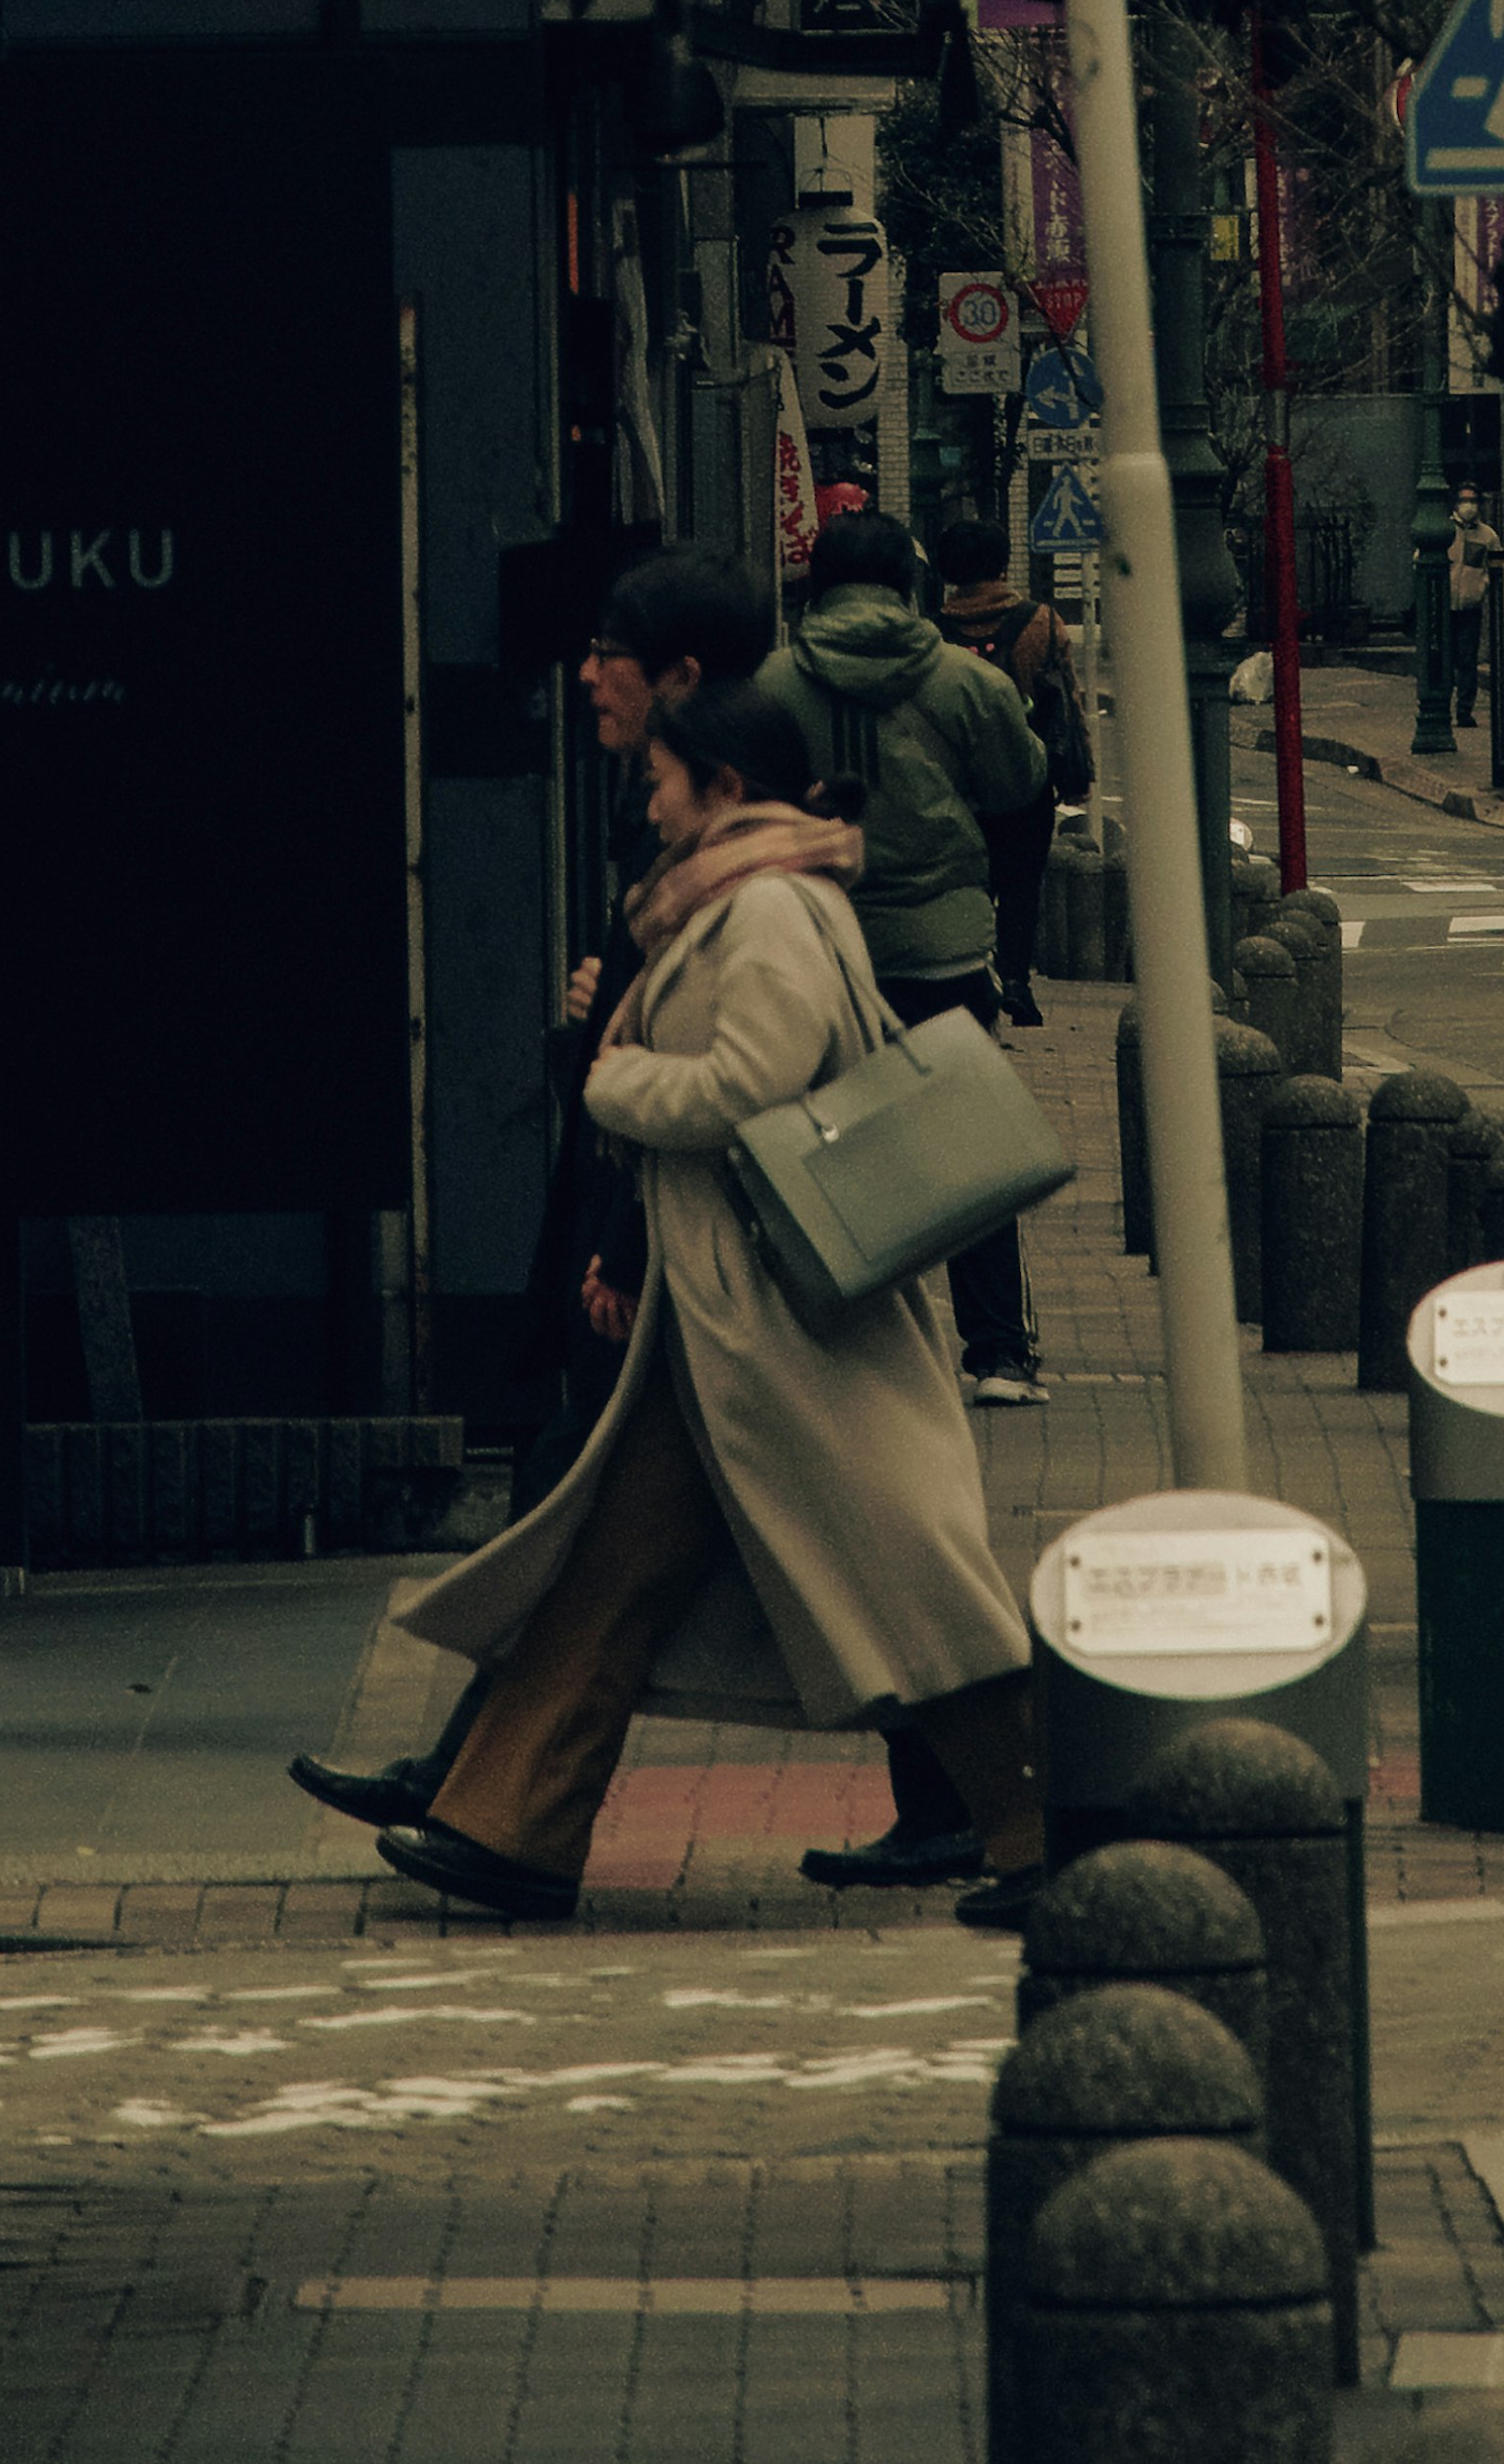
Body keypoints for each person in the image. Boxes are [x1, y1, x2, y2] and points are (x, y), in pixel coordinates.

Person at [372, 679, 1050, 1926]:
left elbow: (750, 1082)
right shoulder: (743, 896)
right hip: (732, 1318)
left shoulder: (771, 907)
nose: (649, 795)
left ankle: (1054, 1826)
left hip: (783, 1315)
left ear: (726, 788)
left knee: (911, 1578)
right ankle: (508, 1824)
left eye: (665, 778)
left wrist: (614, 1076)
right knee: (607, 1574)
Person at [288, 551, 771, 1844]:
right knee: (613, 1539)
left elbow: (738, 1085)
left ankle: (488, 1800)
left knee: (619, 1537)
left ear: (677, 680)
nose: (585, 670)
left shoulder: (745, 859)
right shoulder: (686, 821)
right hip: (672, 1263)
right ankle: (486, 1797)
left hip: (702, 1275)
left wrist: (603, 1066)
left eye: (612, 647)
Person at [767, 509, 1052, 1395]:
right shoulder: (963, 681)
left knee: (831, 1144)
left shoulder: (773, 683)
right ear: (908, 585)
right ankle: (998, 1350)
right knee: (966, 1144)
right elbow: (1020, 782)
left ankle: (845, 1351)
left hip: (819, 941)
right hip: (945, 943)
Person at [930, 515, 1085, 1031]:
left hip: (955, 783)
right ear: (1003, 565)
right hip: (1028, 779)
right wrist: (1077, 771)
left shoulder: (933, 632)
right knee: (1022, 883)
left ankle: (970, 978)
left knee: (967, 882)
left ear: (950, 572)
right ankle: (1016, 980)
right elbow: (1068, 700)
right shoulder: (1041, 622)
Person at [1445, 485, 1504, 728]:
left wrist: (1484, 585)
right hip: (1447, 605)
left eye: (1473, 501)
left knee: (1467, 660)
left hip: (1470, 605)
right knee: (1446, 660)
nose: (1469, 506)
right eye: (1464, 500)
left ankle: (1464, 710)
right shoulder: (1445, 532)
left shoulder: (1487, 536)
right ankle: (1444, 708)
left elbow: (1499, 567)